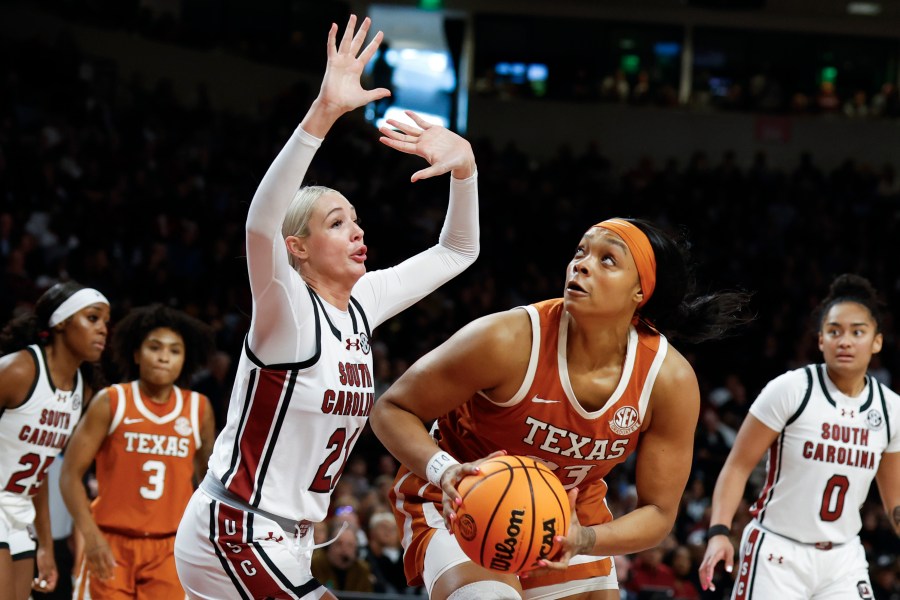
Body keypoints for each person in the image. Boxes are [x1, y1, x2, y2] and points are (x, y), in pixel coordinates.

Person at [174, 14, 479, 600]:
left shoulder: (362, 305)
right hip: (235, 529)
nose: (357, 230)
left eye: (357, 220)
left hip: (288, 538)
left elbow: (459, 250)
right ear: (299, 248)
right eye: (337, 223)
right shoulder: (286, 309)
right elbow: (260, 224)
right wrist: (324, 114)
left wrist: (465, 169)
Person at [370, 218, 751, 600]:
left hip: (566, 511)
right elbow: (391, 408)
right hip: (460, 494)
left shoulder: (668, 380)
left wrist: (585, 538)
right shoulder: (507, 340)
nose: (581, 264)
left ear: (639, 291)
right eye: (580, 252)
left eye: (607, 260)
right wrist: (444, 470)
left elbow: (658, 512)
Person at [698, 274, 900, 599]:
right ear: (821, 340)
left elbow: (895, 500)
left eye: (857, 332)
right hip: (777, 551)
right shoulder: (790, 389)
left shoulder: (891, 409)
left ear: (877, 341)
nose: (844, 341)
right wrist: (719, 532)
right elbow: (737, 466)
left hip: (843, 558)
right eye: (834, 331)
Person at [60, 303, 216, 598]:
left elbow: (210, 485)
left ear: (184, 361)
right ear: (136, 354)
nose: (163, 357)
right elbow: (69, 475)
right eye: (154, 347)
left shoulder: (199, 408)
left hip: (171, 548)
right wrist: (90, 537)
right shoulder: (111, 401)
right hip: (110, 543)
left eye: (174, 351)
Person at [0, 282, 110, 600]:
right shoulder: (17, 371)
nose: (103, 329)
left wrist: (45, 545)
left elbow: (40, 471)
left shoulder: (81, 390)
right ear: (61, 322)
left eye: (105, 321)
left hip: (19, 512)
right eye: (92, 318)